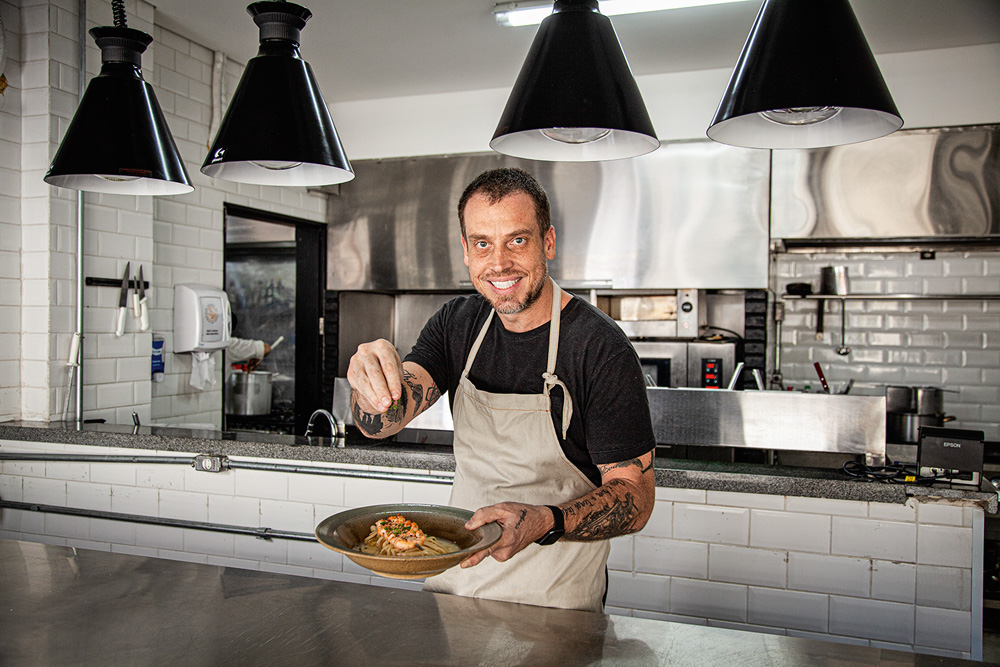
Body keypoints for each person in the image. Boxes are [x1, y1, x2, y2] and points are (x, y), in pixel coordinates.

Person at [347, 167, 656, 613]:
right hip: (456, 588)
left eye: (517, 240)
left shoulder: (599, 346)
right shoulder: (457, 325)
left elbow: (636, 499)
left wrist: (546, 520)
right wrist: (370, 381)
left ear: (547, 242)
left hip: (554, 605)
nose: (499, 264)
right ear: (466, 252)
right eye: (482, 244)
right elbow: (380, 423)